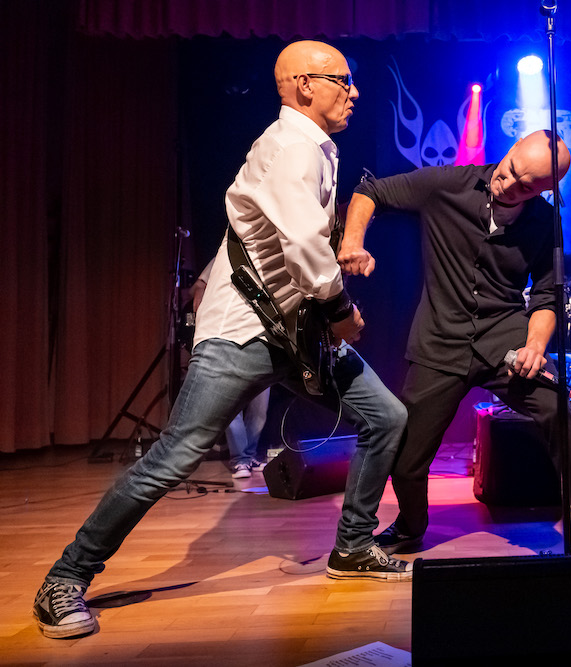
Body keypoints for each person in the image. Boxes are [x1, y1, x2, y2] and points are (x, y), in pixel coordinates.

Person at [33, 40, 410, 641]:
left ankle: (353, 546)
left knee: (385, 416)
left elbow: (297, 241)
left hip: (293, 330)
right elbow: (303, 248)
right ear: (304, 85)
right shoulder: (291, 147)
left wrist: (336, 269)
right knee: (174, 457)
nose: (354, 91)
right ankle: (64, 578)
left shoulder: (313, 147)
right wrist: (340, 310)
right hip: (244, 334)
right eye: (343, 80)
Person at [338, 130, 571, 555]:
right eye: (510, 171)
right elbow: (370, 191)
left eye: (526, 185)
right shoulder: (447, 186)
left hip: (505, 339)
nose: (509, 185)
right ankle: (411, 526)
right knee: (406, 455)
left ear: (546, 189)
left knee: (561, 415)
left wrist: (535, 346)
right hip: (440, 340)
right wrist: (352, 242)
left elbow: (547, 296)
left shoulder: (546, 222)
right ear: (509, 150)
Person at [190, 257, 272, 478]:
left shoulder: (270, 256)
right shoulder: (226, 254)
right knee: (232, 406)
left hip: (263, 340)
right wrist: (201, 302)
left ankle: (250, 455)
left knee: (259, 408)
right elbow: (198, 285)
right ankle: (240, 460)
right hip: (231, 339)